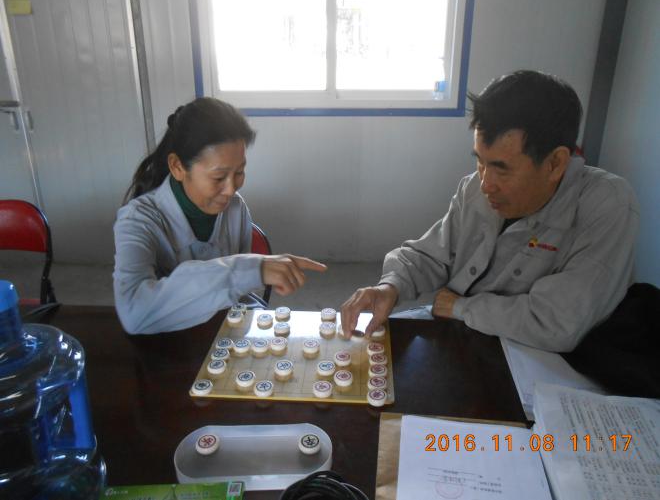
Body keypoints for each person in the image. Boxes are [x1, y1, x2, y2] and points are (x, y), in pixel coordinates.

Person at [341, 70, 639, 352]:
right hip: (463, 328)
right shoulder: (474, 188)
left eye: (502, 169)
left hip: (545, 359)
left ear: (555, 163)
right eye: (480, 162)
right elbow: (432, 255)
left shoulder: (607, 204)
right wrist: (391, 286)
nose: (485, 184)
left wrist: (461, 307)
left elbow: (557, 323)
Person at [114, 97, 326, 334]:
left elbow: (238, 298)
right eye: (218, 177)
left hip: (221, 337)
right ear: (177, 167)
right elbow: (134, 312)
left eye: (240, 172)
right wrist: (246, 270)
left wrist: (251, 279)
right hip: (167, 342)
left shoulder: (235, 208)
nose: (231, 189)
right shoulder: (137, 220)